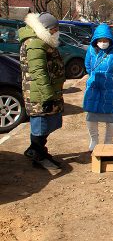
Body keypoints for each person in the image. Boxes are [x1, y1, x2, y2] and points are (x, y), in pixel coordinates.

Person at [18, 12, 65, 170]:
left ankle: (38, 151)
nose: (56, 31)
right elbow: (38, 72)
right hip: (39, 94)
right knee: (41, 125)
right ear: (46, 28)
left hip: (44, 92)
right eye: (54, 29)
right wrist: (47, 96)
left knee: (46, 124)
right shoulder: (35, 43)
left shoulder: (41, 41)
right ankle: (36, 153)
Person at [83, 24, 113, 151]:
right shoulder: (91, 50)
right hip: (93, 87)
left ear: (110, 39)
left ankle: (108, 140)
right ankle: (94, 140)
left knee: (110, 115)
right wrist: (93, 77)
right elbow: (87, 66)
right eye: (100, 40)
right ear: (96, 40)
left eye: (105, 40)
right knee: (91, 114)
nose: (103, 43)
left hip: (110, 88)